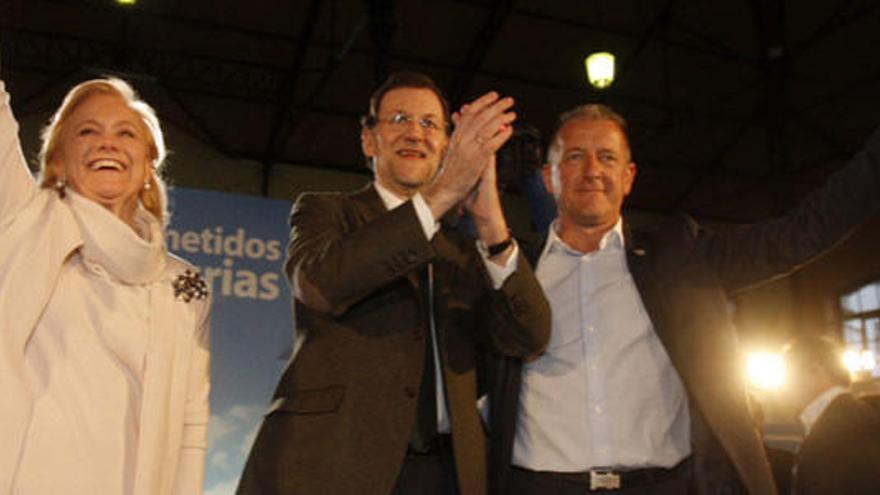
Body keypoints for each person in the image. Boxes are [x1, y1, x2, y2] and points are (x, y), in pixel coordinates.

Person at [491, 104, 880, 495]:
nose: (592, 170)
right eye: (575, 156)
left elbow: (799, 234)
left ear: (628, 178)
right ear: (548, 178)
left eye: (607, 157)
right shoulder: (508, 268)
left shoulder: (680, 256)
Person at [237, 71, 550, 495]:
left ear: (445, 146)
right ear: (369, 140)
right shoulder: (325, 212)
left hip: (448, 474)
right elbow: (321, 285)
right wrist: (441, 193)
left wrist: (492, 223)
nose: (415, 133)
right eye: (399, 119)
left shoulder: (464, 250)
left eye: (429, 124)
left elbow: (529, 336)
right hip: (338, 465)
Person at [0, 77, 211, 494]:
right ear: (58, 158)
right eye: (87, 131)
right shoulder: (23, 223)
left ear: (149, 164)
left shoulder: (183, 284)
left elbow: (191, 429)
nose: (107, 143)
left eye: (126, 133)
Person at [783, 336, 880, 495]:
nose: (785, 385)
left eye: (789, 372)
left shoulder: (848, 423)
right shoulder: (844, 416)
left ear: (816, 370)